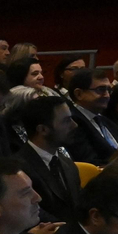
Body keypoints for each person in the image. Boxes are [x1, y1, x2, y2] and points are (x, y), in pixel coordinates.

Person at [11, 95, 82, 223]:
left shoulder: (67, 164)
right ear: (43, 129)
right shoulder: (18, 169)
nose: (74, 125)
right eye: (66, 121)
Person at [64, 69, 118, 165]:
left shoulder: (106, 121)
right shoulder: (72, 122)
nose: (107, 95)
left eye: (109, 90)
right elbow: (90, 162)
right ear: (79, 94)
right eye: (101, 90)